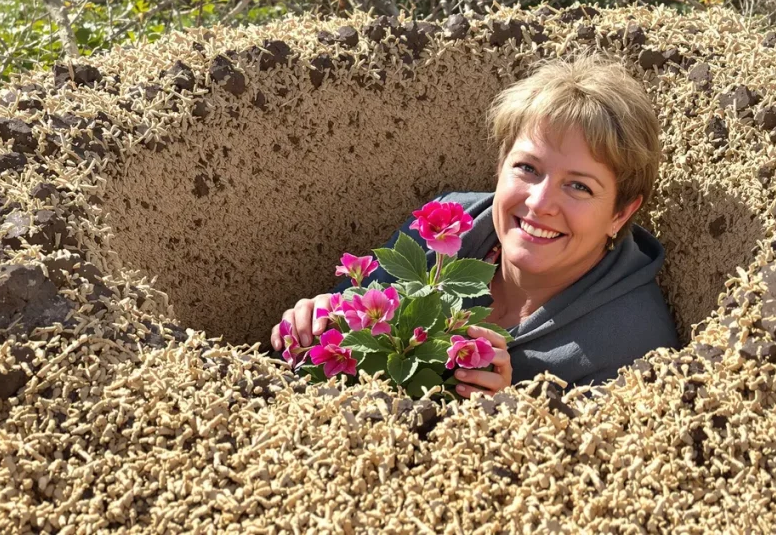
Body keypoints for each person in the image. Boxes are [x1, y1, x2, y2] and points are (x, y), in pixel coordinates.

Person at [271, 52, 679, 397]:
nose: (540, 203)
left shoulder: (633, 350)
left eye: (579, 186)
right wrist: (319, 321)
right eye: (527, 168)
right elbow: (348, 331)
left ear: (621, 213)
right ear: (500, 165)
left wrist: (505, 414)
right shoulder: (447, 223)